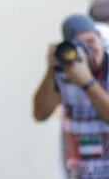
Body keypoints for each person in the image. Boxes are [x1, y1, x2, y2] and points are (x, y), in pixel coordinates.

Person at [33, 14, 109, 178]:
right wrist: (51, 70)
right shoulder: (65, 72)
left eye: (90, 41)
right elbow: (40, 114)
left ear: (99, 38)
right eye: (80, 45)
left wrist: (87, 83)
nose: (89, 49)